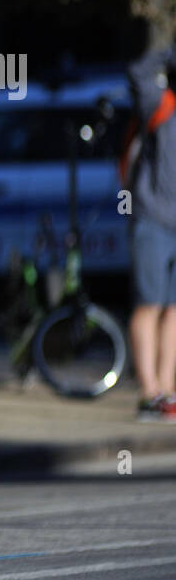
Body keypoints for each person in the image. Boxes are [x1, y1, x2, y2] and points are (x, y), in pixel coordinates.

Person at [125, 46, 176, 421]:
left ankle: (167, 390)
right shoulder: (161, 102)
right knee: (149, 305)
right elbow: (138, 71)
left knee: (173, 309)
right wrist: (169, 52)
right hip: (153, 220)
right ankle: (148, 394)